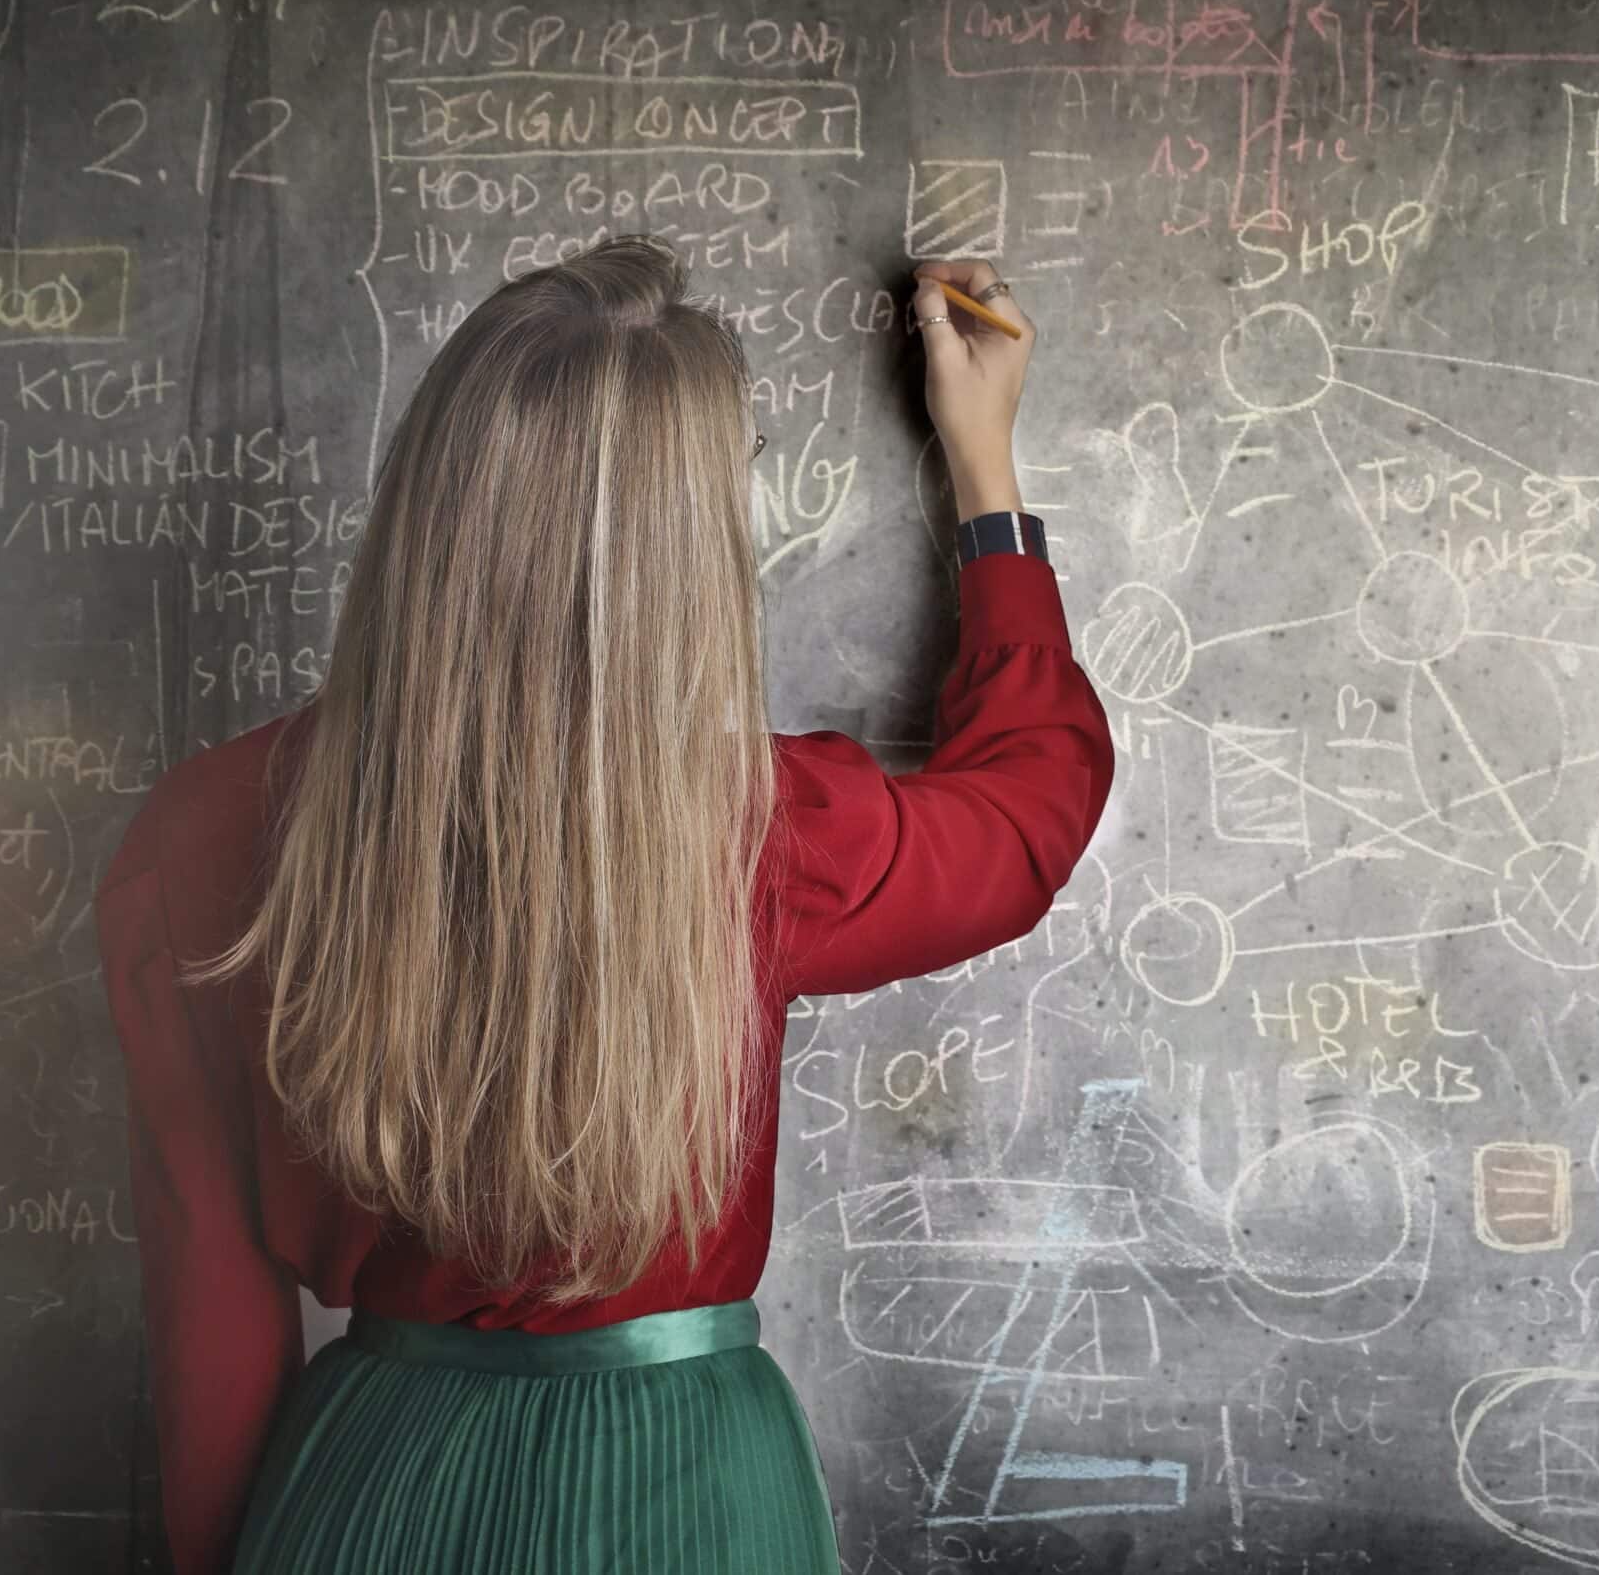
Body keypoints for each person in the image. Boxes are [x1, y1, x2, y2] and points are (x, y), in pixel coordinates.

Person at [92, 236, 1115, 1574]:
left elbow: (210, 1315)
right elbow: (1032, 810)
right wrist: (985, 474)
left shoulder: (204, 836)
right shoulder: (769, 833)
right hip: (687, 1487)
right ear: (692, 545)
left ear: (430, 499)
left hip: (369, 1486)